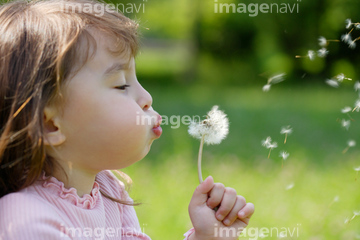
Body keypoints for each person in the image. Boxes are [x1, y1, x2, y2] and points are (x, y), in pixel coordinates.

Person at [0, 0, 254, 239]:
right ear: (50, 124)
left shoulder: (108, 192)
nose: (146, 97)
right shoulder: (25, 222)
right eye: (122, 85)